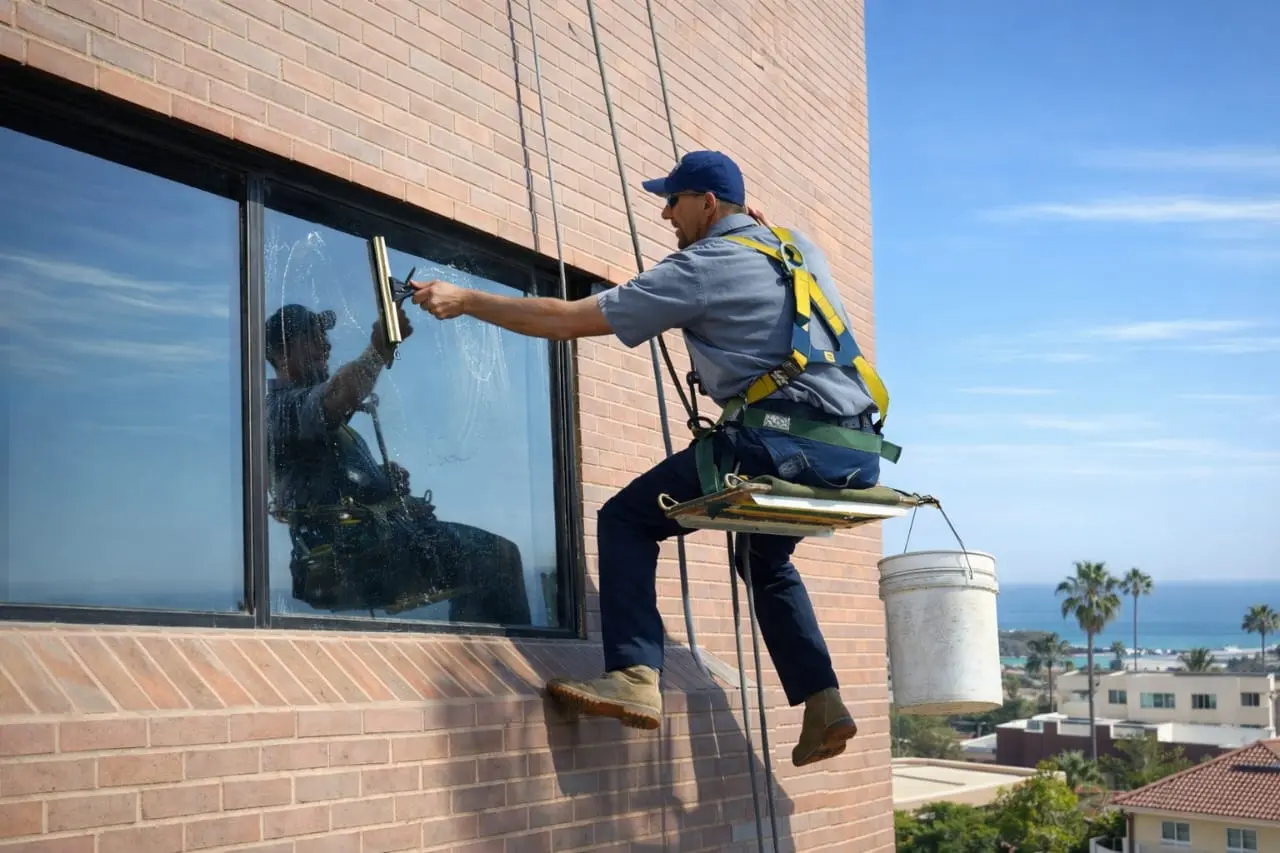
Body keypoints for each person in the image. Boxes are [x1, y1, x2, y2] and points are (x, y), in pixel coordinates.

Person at [411, 150, 886, 767]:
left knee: (626, 520)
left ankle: (635, 676)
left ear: (708, 205)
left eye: (675, 201)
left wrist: (468, 300)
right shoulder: (797, 248)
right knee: (761, 557)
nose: (666, 214)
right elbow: (760, 243)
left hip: (779, 439)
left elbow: (567, 320)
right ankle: (824, 702)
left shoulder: (700, 267)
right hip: (855, 448)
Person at [264, 302, 530, 624]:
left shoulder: (310, 419)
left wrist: (382, 486)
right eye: (312, 336)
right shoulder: (280, 409)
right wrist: (381, 347)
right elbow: (338, 395)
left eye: (324, 335)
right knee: (500, 559)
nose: (326, 344)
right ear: (281, 352)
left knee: (497, 561)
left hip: (362, 549)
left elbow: (332, 483)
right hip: (346, 558)